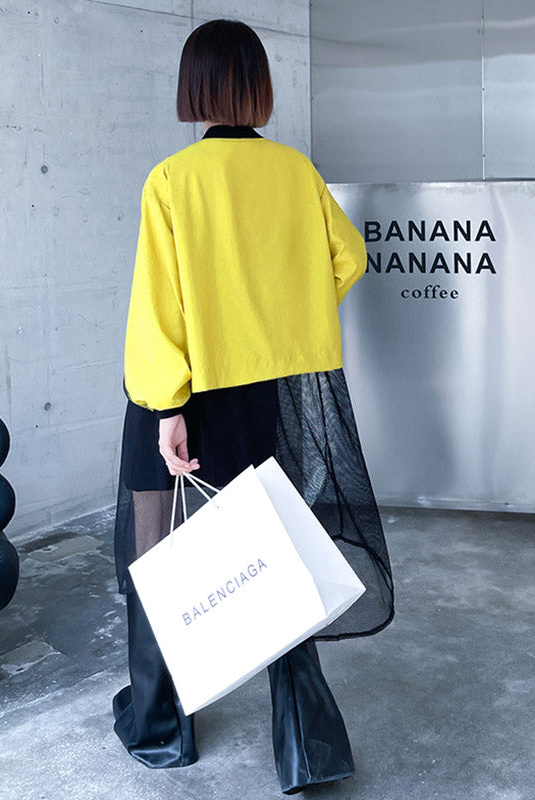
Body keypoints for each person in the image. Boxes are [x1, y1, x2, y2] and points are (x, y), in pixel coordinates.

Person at [111, 18, 395, 795]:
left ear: (193, 88)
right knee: (271, 555)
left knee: (156, 557)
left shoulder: (172, 180)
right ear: (258, 87)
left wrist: (168, 410)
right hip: (260, 396)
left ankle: (160, 731)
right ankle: (308, 749)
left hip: (184, 396)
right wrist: (280, 322)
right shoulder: (295, 172)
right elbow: (348, 258)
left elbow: (158, 311)